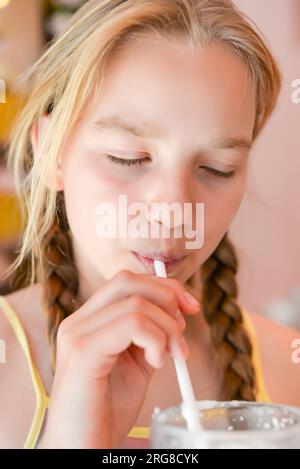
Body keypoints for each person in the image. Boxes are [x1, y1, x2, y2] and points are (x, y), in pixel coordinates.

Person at [0, 0, 299, 449]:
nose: (174, 209)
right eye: (129, 158)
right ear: (51, 154)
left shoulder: (287, 367)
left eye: (218, 168)